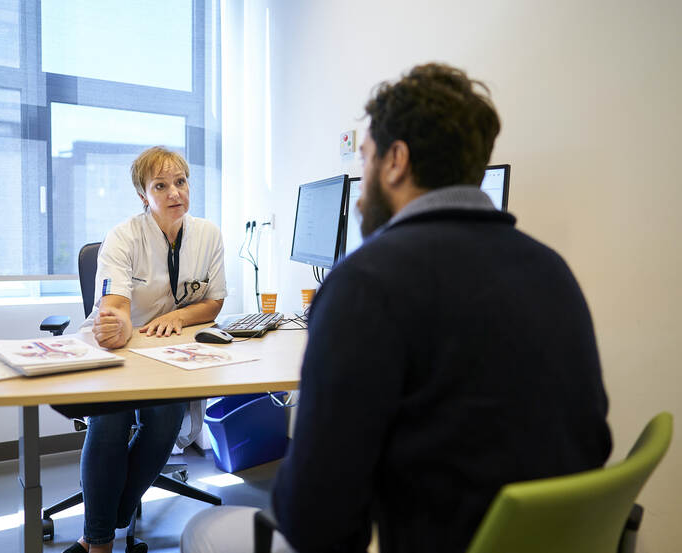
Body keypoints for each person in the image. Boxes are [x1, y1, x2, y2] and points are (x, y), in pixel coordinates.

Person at [180, 63, 611, 553]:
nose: (360, 189)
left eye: (365, 159)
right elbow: (591, 441)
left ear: (396, 160)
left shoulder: (364, 284)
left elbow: (315, 520)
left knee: (202, 530)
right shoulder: (553, 270)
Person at [63, 146, 227, 553]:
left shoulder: (208, 235)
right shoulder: (124, 237)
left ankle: (112, 515)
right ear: (143, 195)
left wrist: (180, 317)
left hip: (168, 351)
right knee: (110, 419)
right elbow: (115, 308)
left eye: (181, 182)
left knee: (166, 415)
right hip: (119, 348)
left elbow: (214, 302)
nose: (175, 193)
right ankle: (97, 542)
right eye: (161, 185)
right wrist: (116, 324)